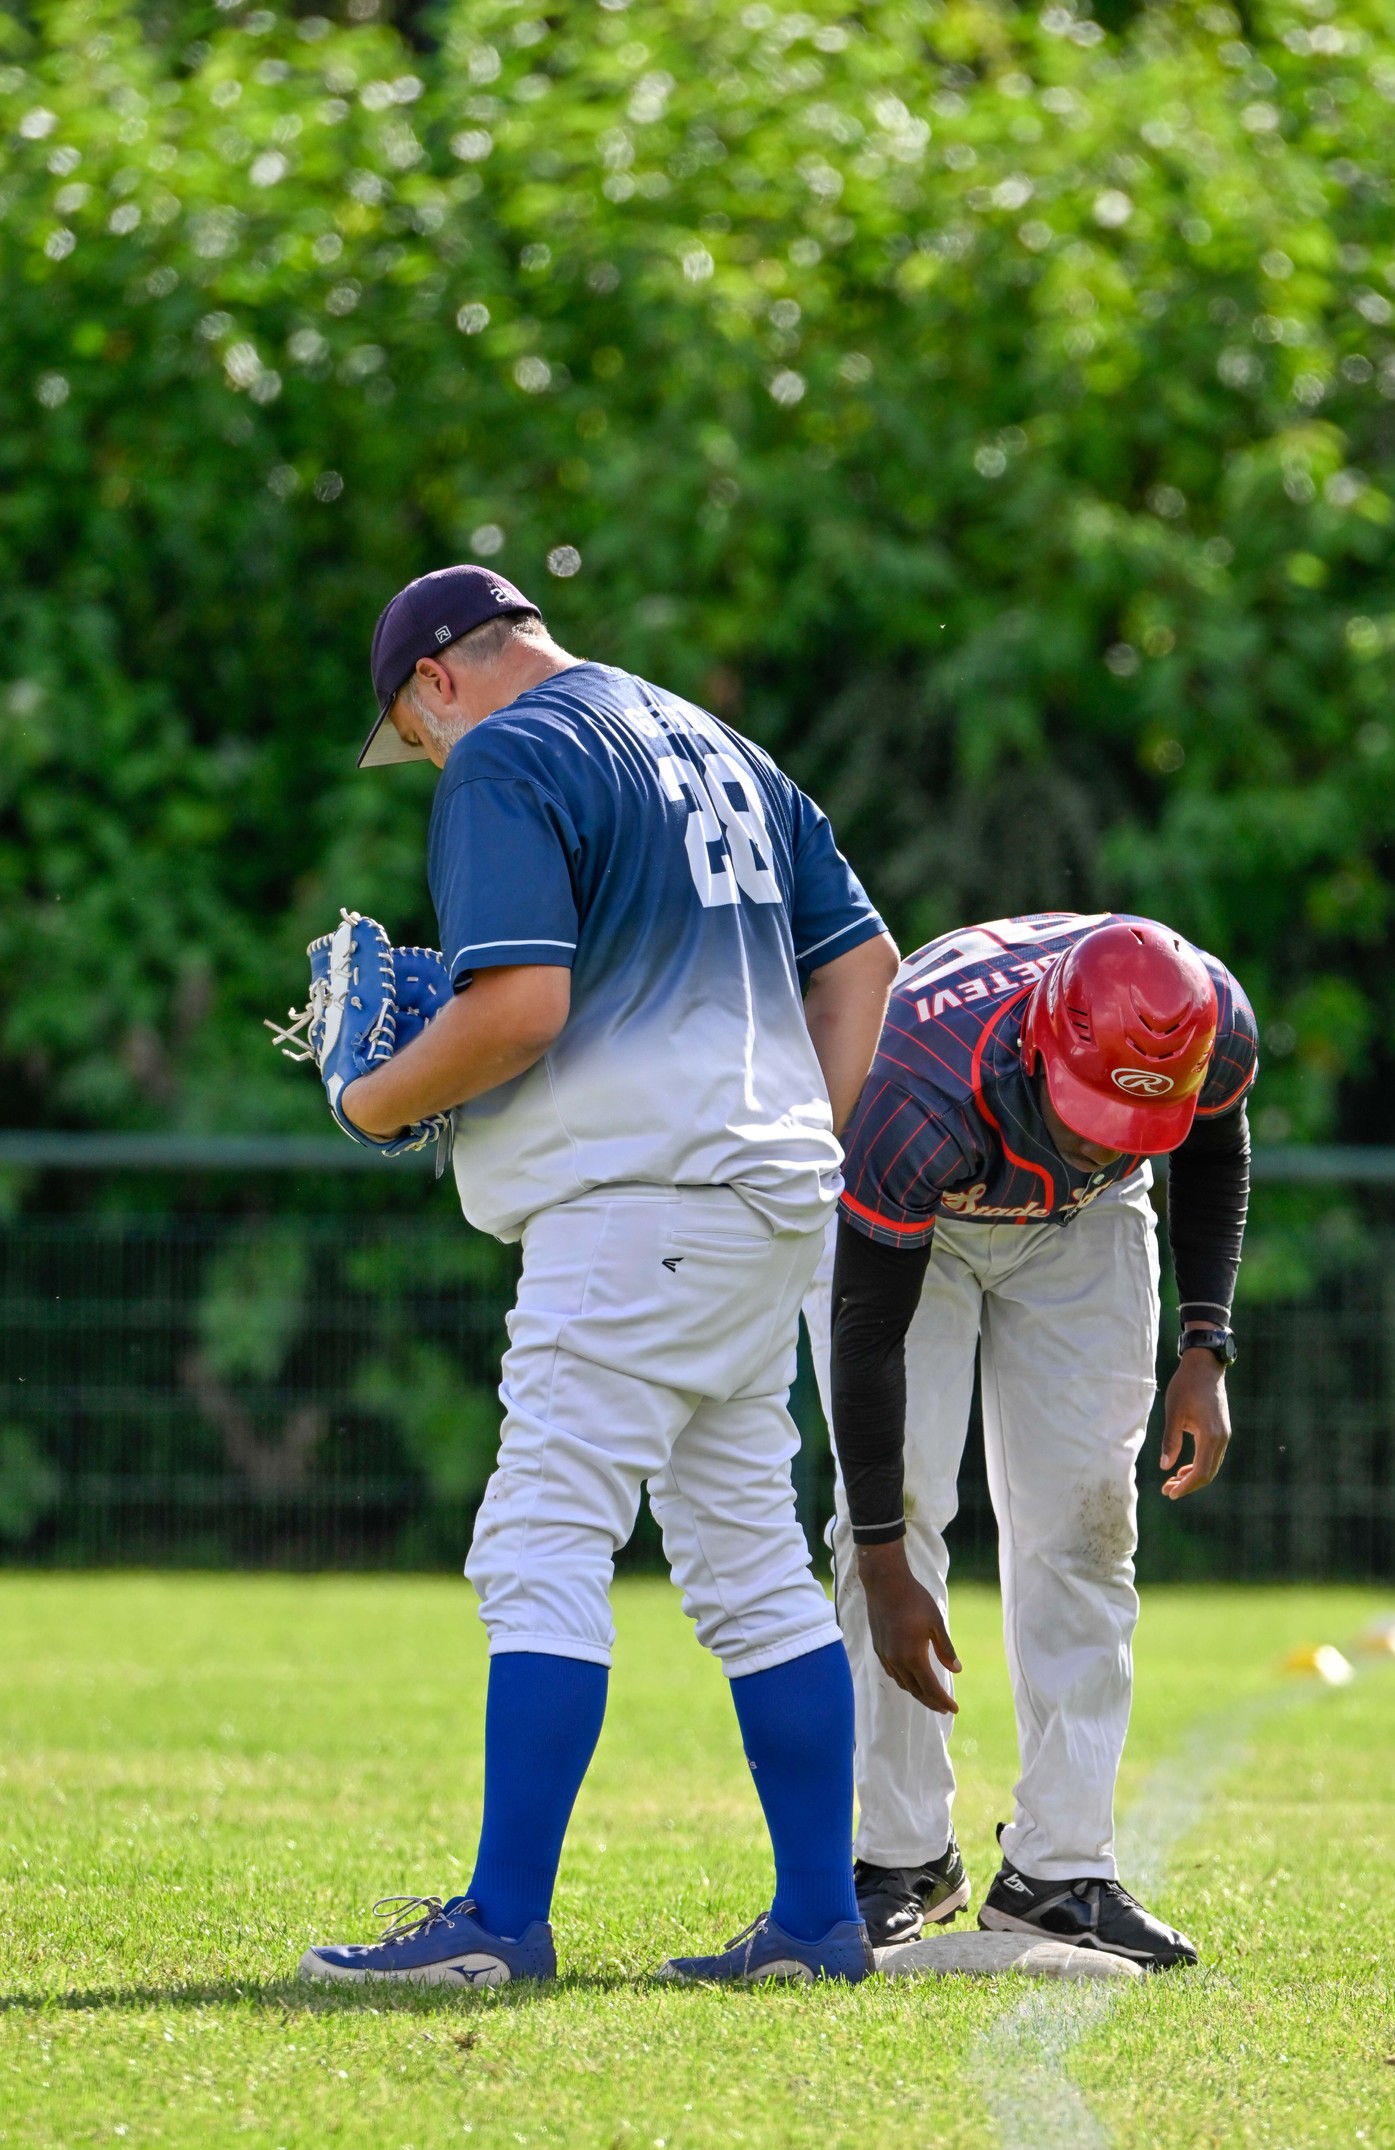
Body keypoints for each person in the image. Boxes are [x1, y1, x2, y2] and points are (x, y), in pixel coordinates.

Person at [295, 562, 899, 1989]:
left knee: (541, 1540)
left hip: (636, 1202)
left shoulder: (507, 752)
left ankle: (502, 1923)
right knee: (749, 1555)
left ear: (439, 677)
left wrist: (370, 1101)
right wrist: (800, 1135)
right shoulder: (724, 746)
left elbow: (523, 1006)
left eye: (413, 728)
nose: (428, 755)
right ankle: (818, 1923)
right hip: (769, 1197)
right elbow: (864, 964)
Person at [803, 912, 1257, 1968]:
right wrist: (881, 1559)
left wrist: (1206, 1344)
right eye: (1090, 1111)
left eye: (1130, 1123)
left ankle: (1061, 1871)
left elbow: (1217, 1152)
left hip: (1089, 1232)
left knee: (1089, 1529)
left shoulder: (1209, 1022)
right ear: (1040, 1044)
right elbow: (864, 1334)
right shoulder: (907, 1082)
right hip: (930, 1221)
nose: (1103, 1138)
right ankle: (895, 1856)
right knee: (894, 1514)